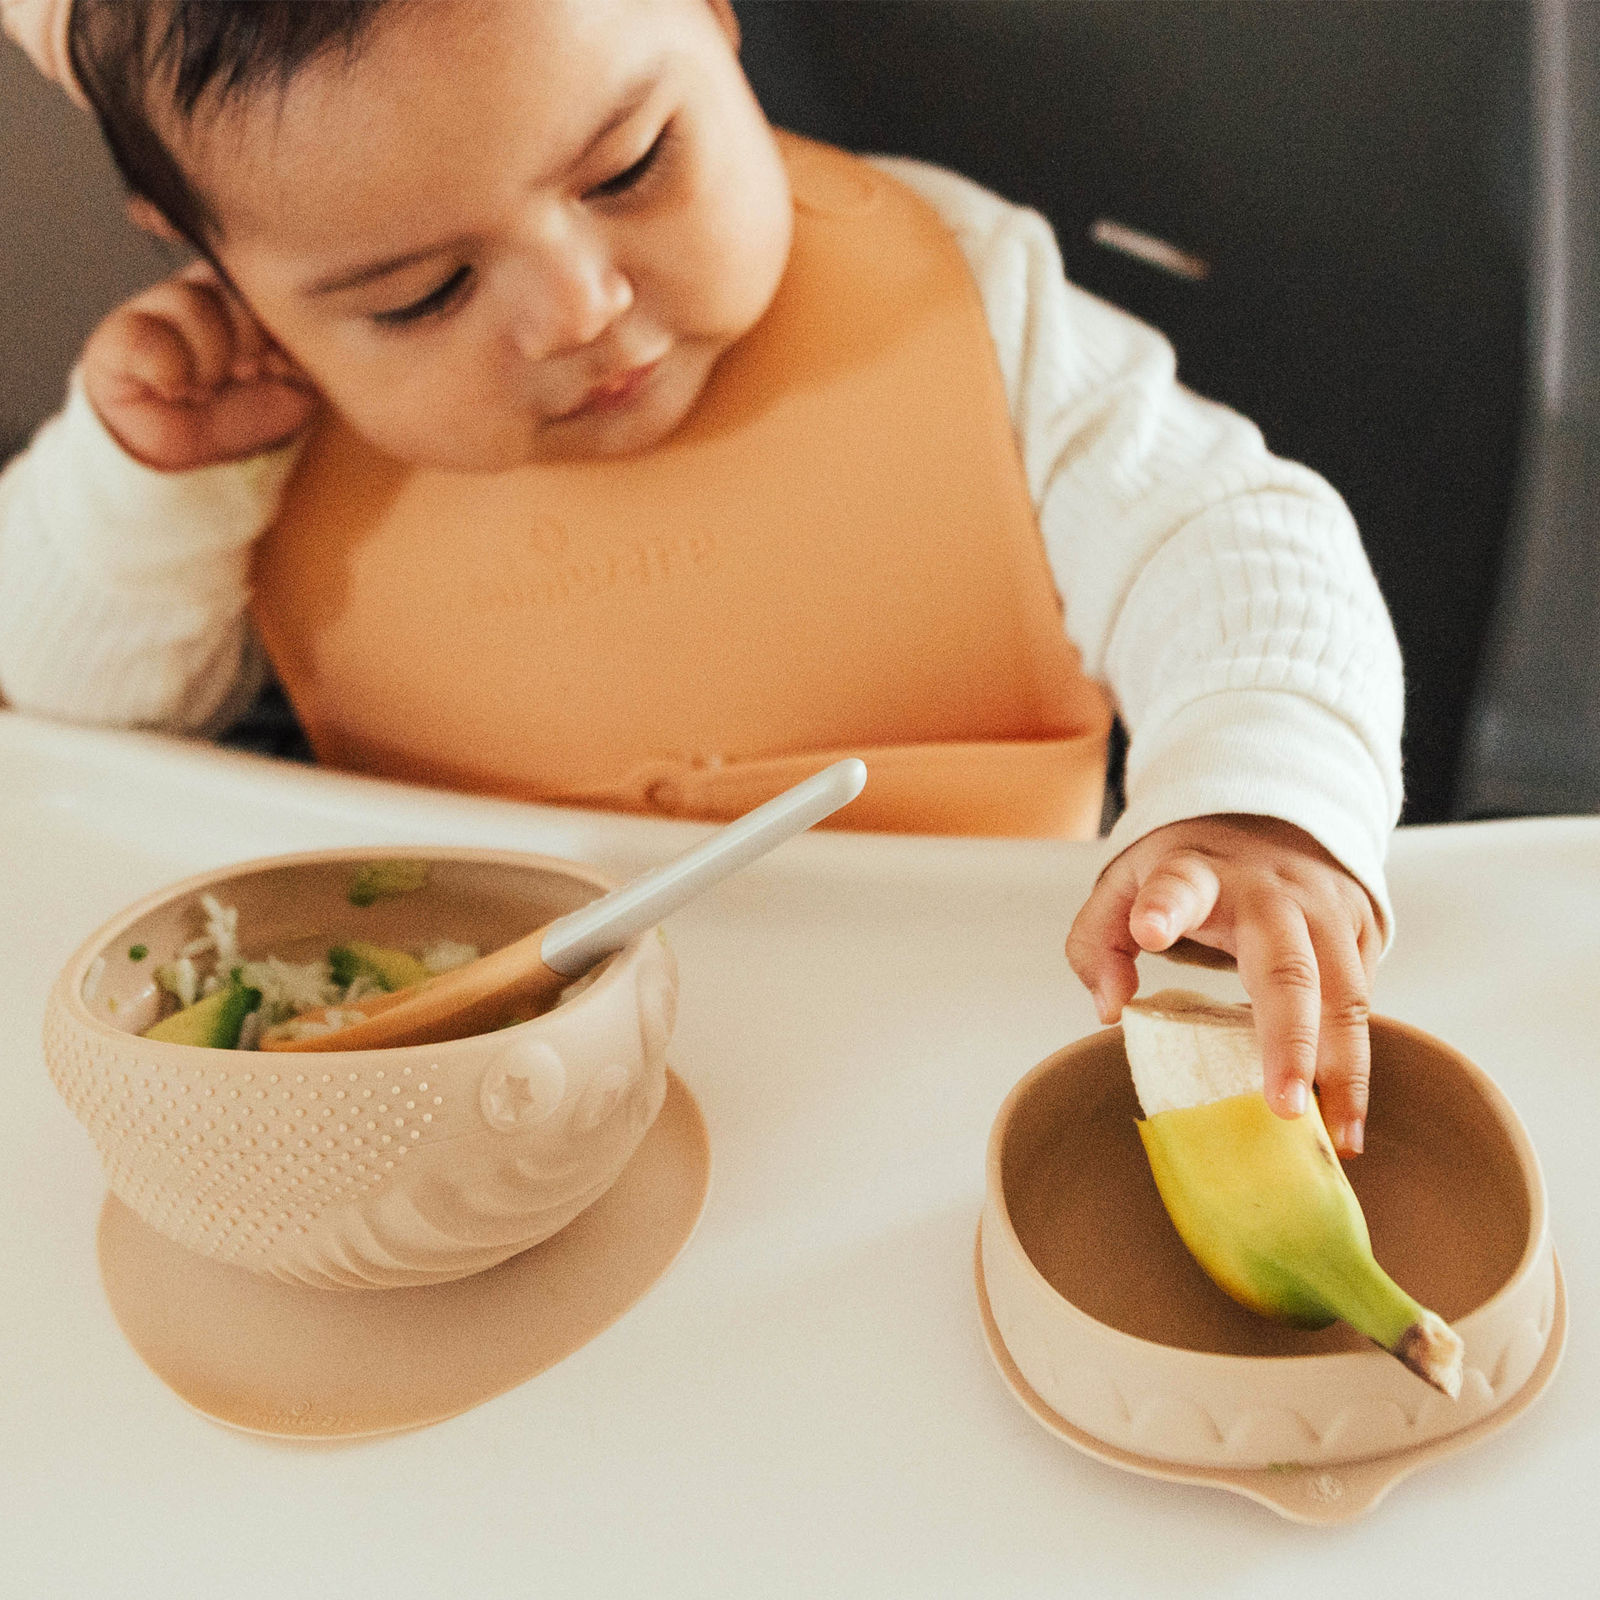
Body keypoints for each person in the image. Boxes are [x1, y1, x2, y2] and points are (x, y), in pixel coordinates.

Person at [0, 0, 1402, 1155]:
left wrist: (1260, 797)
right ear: (216, 261)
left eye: (627, 169)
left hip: (965, 1058)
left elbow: (1230, 538)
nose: (579, 307)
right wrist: (142, 487)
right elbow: (70, 731)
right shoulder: (246, 424)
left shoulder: (966, 302)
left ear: (714, 16)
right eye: (420, 295)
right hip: (478, 1094)